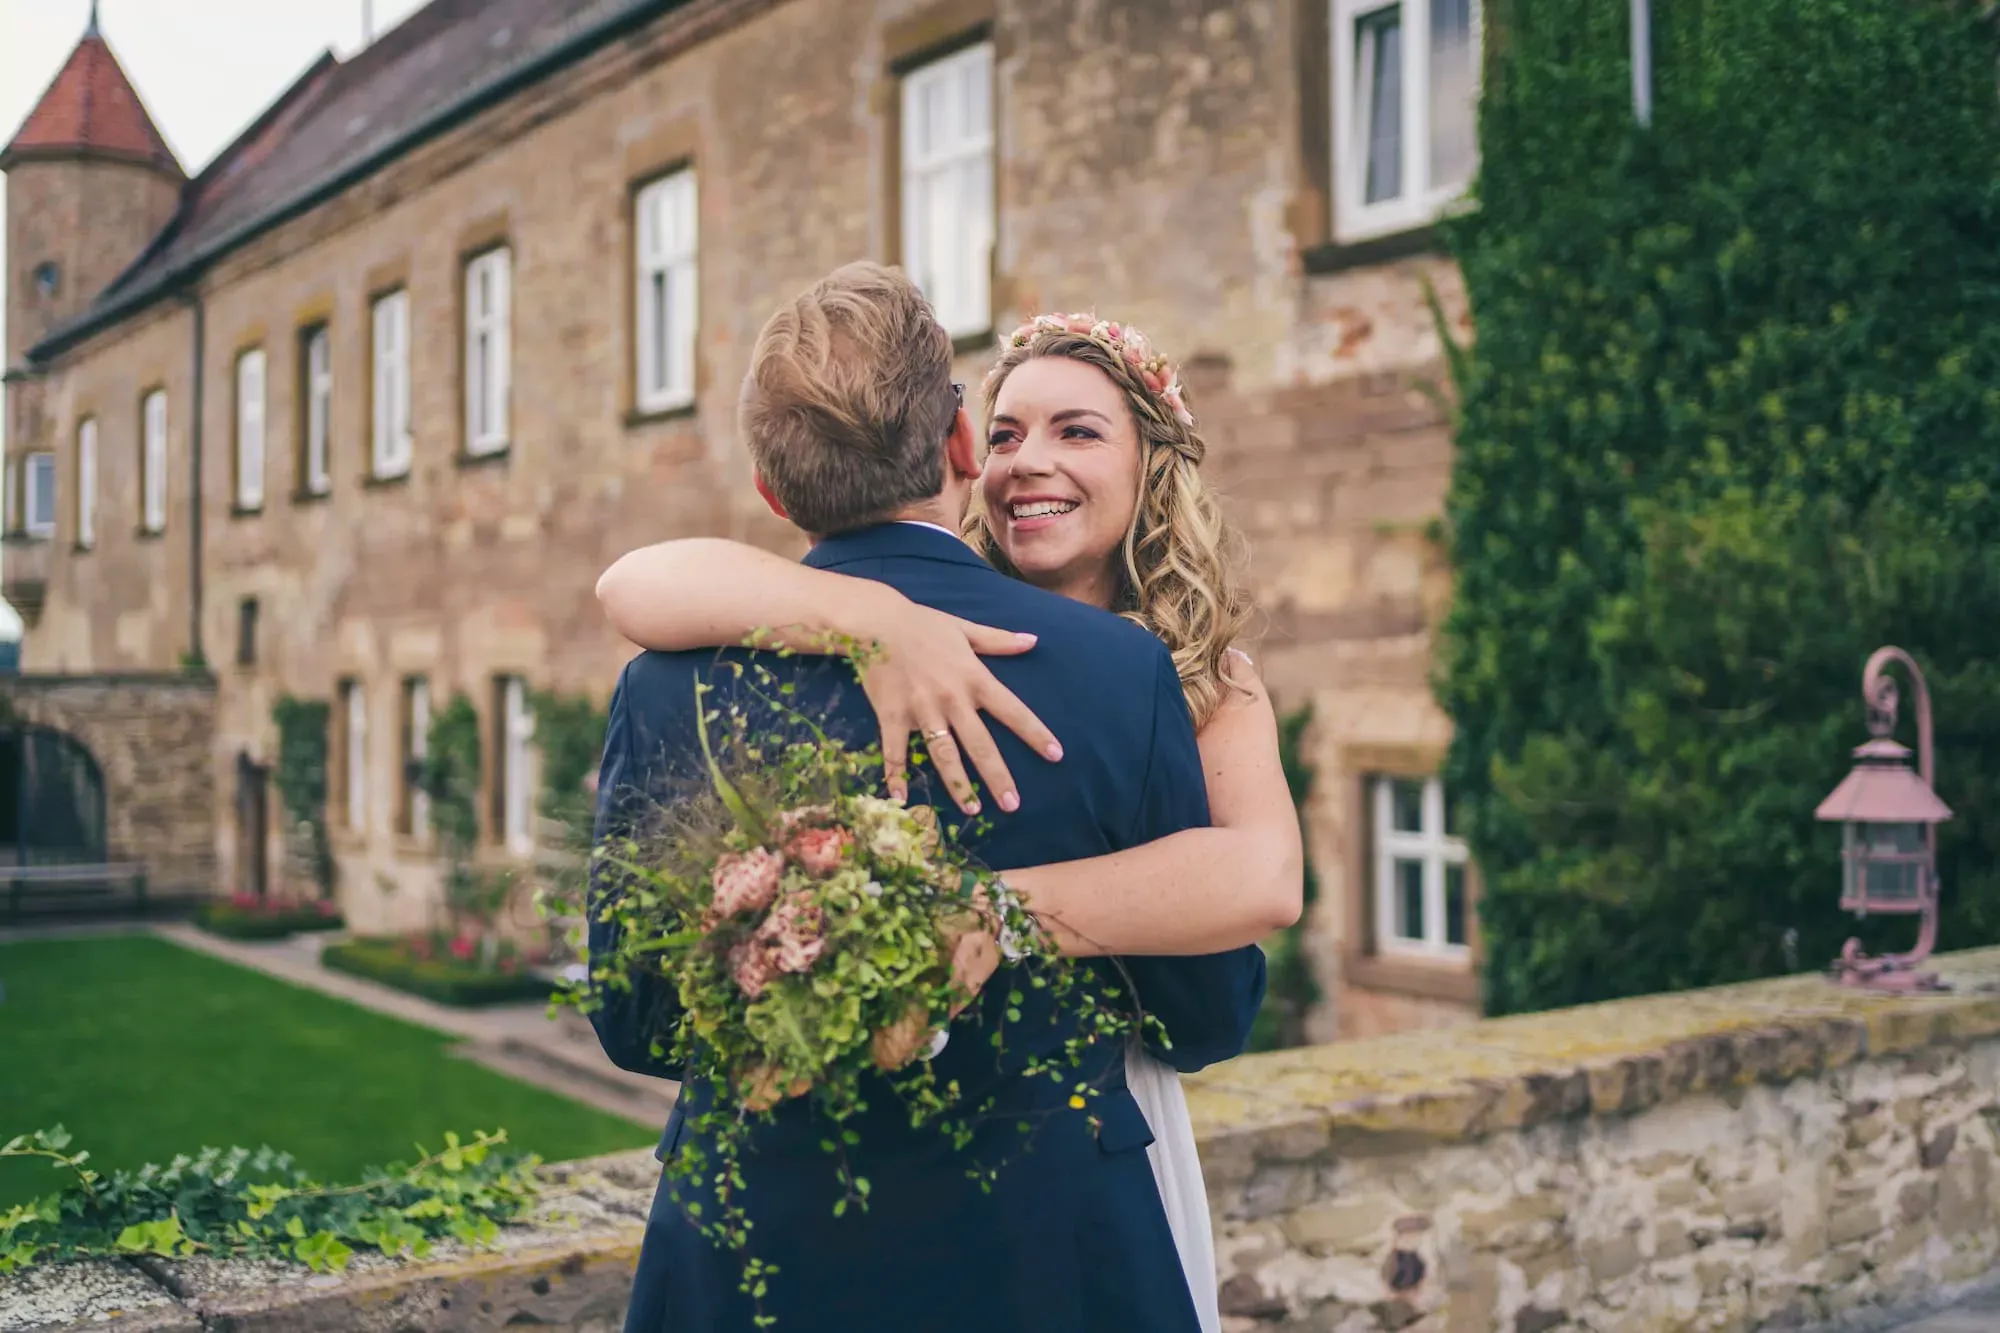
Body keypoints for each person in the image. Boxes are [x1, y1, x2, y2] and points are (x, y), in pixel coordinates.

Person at [589, 263, 1277, 1333]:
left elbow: (637, 1020)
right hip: (1040, 1250)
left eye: (1079, 432)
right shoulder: (1117, 678)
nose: (1028, 462)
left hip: (754, 1247)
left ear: (773, 492)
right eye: (1005, 433)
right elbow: (1200, 1015)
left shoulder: (665, 682)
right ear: (962, 445)